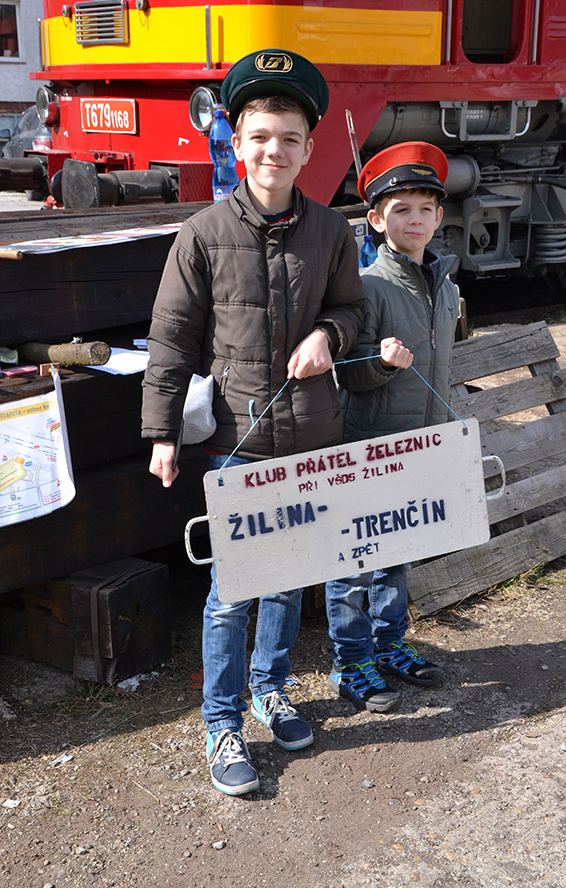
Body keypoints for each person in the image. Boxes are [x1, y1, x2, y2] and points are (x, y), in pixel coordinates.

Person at [141, 49, 364, 795]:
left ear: (309, 148)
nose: (275, 150)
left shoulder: (332, 231)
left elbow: (352, 309)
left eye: (289, 138)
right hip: (237, 443)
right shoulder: (202, 235)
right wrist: (163, 432)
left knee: (289, 578)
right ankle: (222, 721)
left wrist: (328, 336)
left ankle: (271, 689)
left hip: (312, 435)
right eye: (260, 136)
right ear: (236, 142)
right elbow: (171, 340)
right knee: (233, 590)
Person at [326, 141, 460, 712]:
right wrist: (380, 363)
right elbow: (349, 375)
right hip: (369, 450)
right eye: (401, 209)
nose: (415, 219)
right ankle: (350, 660)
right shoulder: (369, 286)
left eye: (426, 209)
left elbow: (442, 367)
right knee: (354, 560)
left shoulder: (446, 288)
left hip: (419, 447)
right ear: (377, 220)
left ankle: (388, 643)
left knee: (398, 551)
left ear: (439, 217)